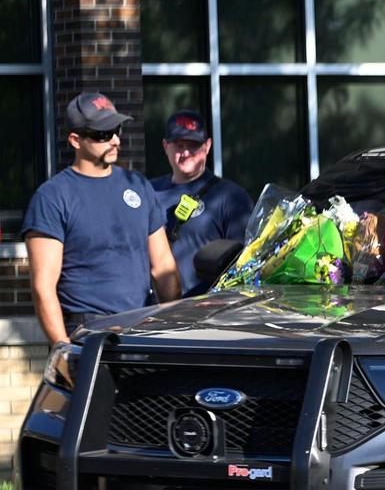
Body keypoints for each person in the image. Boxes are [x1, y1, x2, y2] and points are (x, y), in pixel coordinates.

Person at [21, 92, 180, 345]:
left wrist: (175, 329)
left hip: (144, 328)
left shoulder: (137, 185)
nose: (115, 140)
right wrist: (62, 349)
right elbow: (43, 286)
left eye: (116, 130)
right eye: (103, 134)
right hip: (89, 335)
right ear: (75, 140)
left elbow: (163, 265)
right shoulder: (52, 197)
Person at [150, 110, 253, 296]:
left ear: (207, 146)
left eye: (193, 146)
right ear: (166, 146)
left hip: (205, 312)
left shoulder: (231, 197)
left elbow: (246, 264)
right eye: (179, 146)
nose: (186, 153)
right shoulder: (149, 192)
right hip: (154, 311)